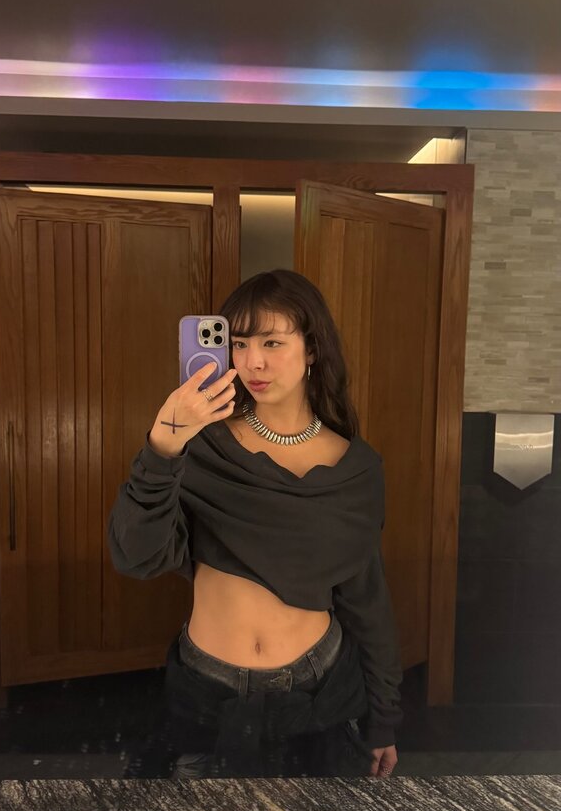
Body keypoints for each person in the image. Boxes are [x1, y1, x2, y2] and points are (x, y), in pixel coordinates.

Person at [108, 269, 402, 779]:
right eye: (239, 344)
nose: (252, 363)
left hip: (318, 692)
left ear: (312, 349)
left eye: (272, 342)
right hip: (206, 691)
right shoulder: (200, 445)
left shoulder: (356, 469)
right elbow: (135, 556)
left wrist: (384, 718)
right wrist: (164, 446)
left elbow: (366, 599)